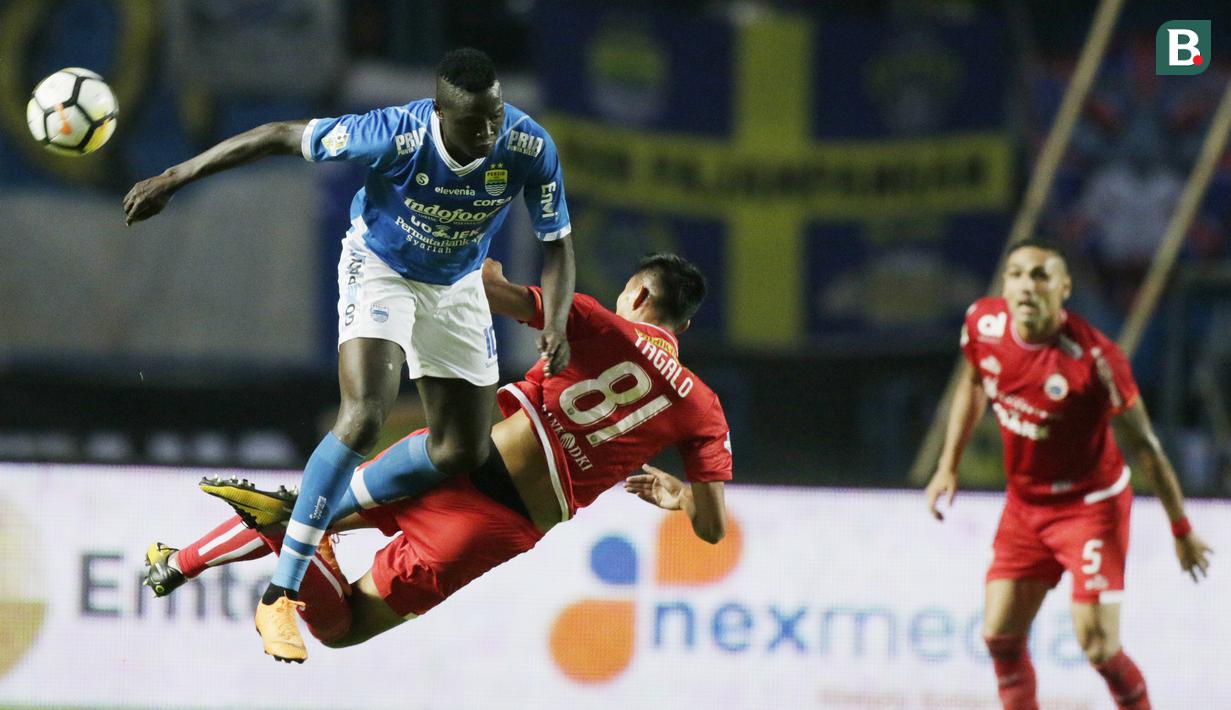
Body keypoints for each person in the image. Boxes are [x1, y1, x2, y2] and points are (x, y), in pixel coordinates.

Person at [123, 48, 576, 660]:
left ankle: (303, 511)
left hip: (457, 285)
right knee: (363, 416)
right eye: (474, 124)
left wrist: (556, 320)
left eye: (495, 116)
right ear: (440, 113)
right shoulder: (393, 132)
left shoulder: (527, 145)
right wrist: (173, 178)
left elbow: (557, 244)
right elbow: (277, 135)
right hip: (381, 269)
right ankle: (280, 594)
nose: (489, 133)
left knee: (462, 451)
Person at [144, 254, 732, 658]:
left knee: (311, 510)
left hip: (458, 452)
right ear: (682, 324)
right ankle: (272, 536)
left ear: (639, 294)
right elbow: (711, 529)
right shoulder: (703, 410)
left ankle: (184, 561)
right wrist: (679, 495)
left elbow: (488, 291)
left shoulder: (593, 319)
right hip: (494, 525)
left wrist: (491, 270)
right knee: (343, 629)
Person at [924, 239, 1212, 710]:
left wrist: (1181, 530)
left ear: (1064, 289)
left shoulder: (1096, 360)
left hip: (1090, 508)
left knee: (1099, 647)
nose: (1026, 286)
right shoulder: (983, 324)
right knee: (999, 635)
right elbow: (973, 381)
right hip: (1025, 507)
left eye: (1040, 276)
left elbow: (1147, 447)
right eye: (1016, 274)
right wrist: (947, 465)